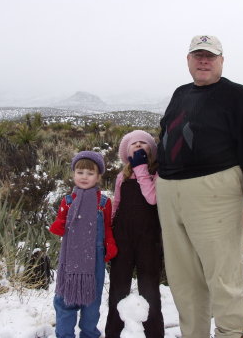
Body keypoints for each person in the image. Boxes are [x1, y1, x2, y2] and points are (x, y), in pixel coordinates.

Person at [155, 35, 243, 338]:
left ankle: (230, 333)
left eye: (210, 56)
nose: (203, 61)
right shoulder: (181, 93)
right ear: (188, 60)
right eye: (198, 56)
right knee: (183, 279)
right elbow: (169, 134)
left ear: (221, 60)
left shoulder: (236, 96)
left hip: (216, 193)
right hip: (171, 192)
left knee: (223, 276)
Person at [49, 151, 118, 338]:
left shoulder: (103, 202)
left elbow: (107, 227)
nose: (84, 177)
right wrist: (58, 224)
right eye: (80, 172)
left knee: (92, 301)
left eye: (90, 173)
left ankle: (89, 334)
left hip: (94, 259)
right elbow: (58, 227)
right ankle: (64, 334)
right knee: (65, 299)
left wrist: (110, 244)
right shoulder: (68, 201)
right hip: (70, 258)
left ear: (98, 176)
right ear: (73, 174)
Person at [105, 130, 164, 338]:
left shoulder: (157, 174)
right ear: (126, 152)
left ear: (151, 150)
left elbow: (152, 199)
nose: (138, 145)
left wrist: (141, 169)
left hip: (148, 238)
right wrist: (108, 230)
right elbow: (117, 203)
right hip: (123, 237)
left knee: (150, 290)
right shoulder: (123, 175)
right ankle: (112, 332)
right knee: (118, 288)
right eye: (133, 144)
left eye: (143, 143)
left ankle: (154, 333)